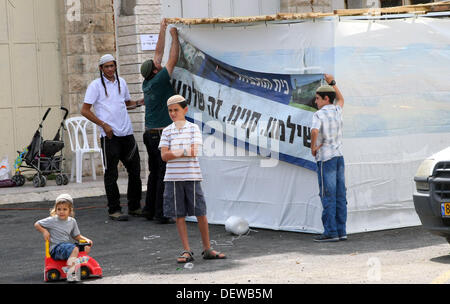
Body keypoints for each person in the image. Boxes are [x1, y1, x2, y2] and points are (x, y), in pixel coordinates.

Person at [159, 95, 226, 263]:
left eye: (176, 110)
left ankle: (207, 248)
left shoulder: (193, 128)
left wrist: (175, 152)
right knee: (179, 214)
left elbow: (194, 151)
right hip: (173, 178)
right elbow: (164, 156)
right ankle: (187, 250)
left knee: (200, 212)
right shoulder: (167, 131)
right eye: (170, 111)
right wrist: (183, 150)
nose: (173, 113)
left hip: (191, 176)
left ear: (185, 110)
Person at [81, 54, 144, 221]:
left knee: (135, 171)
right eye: (106, 66)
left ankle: (135, 206)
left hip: (127, 133)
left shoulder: (121, 82)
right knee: (111, 173)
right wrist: (104, 125)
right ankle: (114, 209)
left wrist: (139, 102)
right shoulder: (95, 86)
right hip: (110, 136)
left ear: (115, 66)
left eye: (112, 66)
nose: (110, 69)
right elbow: (85, 110)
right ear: (101, 68)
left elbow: (126, 103)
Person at [139, 19, 179, 224]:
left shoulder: (147, 82)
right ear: (155, 71)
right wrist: (175, 36)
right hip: (161, 135)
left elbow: (157, 54)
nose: (159, 63)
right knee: (164, 173)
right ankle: (161, 213)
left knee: (155, 172)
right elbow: (172, 58)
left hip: (149, 134)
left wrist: (161, 30)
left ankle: (149, 209)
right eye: (157, 65)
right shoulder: (161, 80)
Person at [310, 74, 348, 242]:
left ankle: (330, 232)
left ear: (326, 98)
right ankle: (341, 231)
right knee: (340, 195)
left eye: (318, 98)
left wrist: (313, 146)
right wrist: (332, 83)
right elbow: (341, 99)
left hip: (326, 159)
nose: (316, 102)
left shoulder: (319, 115)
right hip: (339, 157)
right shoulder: (337, 110)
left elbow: (315, 131)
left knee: (327, 195)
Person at [34, 194, 92, 279]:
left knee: (86, 246)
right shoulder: (52, 220)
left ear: (70, 210)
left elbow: (76, 235)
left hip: (65, 247)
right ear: (55, 210)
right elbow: (37, 224)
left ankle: (75, 264)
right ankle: (71, 272)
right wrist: (44, 231)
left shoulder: (72, 221)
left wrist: (86, 239)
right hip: (56, 249)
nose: (61, 212)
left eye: (65, 209)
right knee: (74, 248)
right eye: (59, 209)